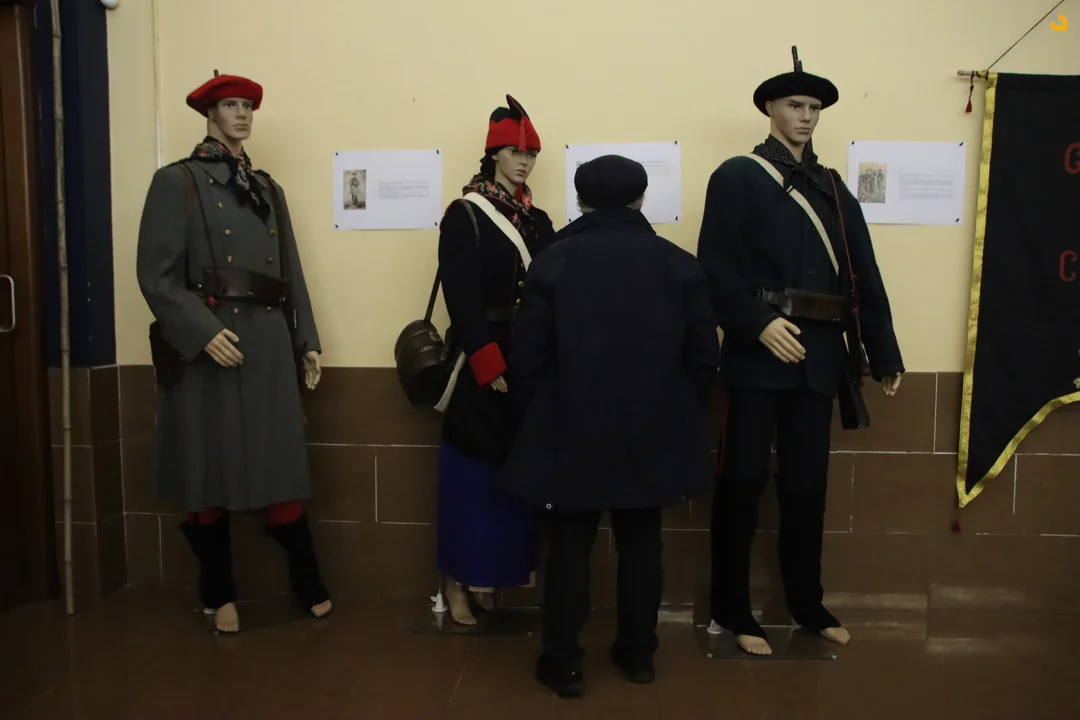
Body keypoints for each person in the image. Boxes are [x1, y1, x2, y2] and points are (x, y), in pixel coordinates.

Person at [696, 58, 904, 655]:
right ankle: (732, 608)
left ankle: (807, 603)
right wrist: (757, 324)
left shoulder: (833, 188)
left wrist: (883, 350)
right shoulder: (737, 176)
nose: (806, 117)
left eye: (814, 109)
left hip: (820, 356)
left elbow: (862, 271)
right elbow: (714, 267)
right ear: (770, 109)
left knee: (808, 486)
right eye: (795, 106)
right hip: (758, 353)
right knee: (741, 481)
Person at [501, 155, 720, 697]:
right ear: (641, 199)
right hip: (652, 426)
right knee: (643, 542)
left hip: (569, 426)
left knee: (570, 545)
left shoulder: (552, 262)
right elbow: (703, 358)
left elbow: (527, 359)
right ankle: (639, 655)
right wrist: (676, 410)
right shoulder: (679, 265)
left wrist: (539, 414)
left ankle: (564, 664)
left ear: (580, 201)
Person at [136, 72, 331, 633]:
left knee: (280, 461)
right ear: (210, 114)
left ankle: (306, 578)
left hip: (266, 341)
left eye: (248, 105)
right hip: (211, 341)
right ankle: (217, 591)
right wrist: (201, 332)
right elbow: (156, 276)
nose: (242, 114)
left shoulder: (267, 188)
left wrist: (306, 340)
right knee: (207, 465)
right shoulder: (177, 181)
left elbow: (290, 271)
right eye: (231, 105)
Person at [435, 95, 557, 626]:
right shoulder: (465, 214)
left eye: (530, 154)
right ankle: (454, 582)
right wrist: (488, 361)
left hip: (528, 358)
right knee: (472, 476)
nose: (524, 161)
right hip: (482, 359)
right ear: (493, 156)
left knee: (516, 473)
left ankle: (492, 576)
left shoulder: (539, 221)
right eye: (514, 152)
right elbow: (460, 296)